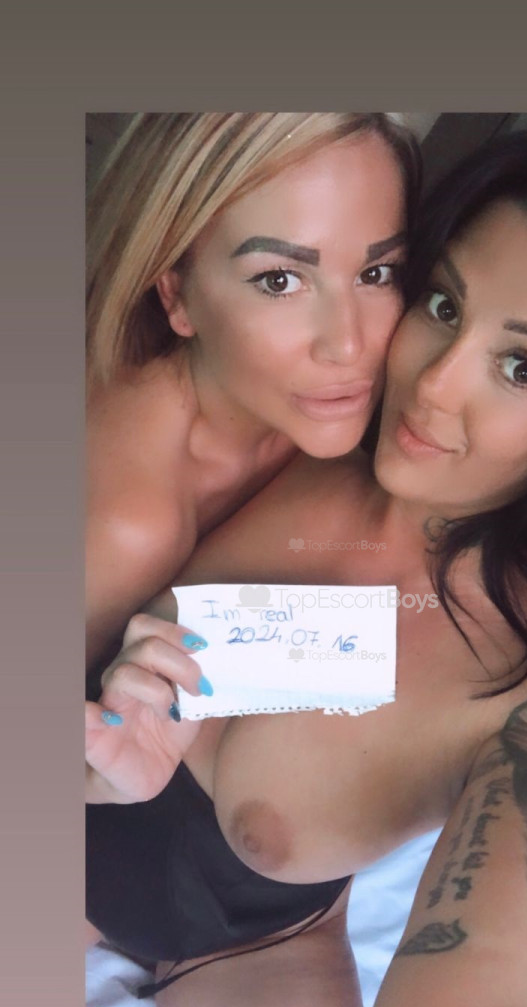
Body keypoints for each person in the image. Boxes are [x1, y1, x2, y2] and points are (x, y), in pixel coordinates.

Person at [86, 130, 527, 1007]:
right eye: (442, 304)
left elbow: (498, 976)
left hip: (254, 945)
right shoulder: (309, 425)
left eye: (523, 369)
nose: (432, 385)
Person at [86, 112, 419, 671]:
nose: (348, 345)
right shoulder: (126, 530)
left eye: (377, 273)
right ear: (175, 296)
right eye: (279, 280)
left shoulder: (308, 423)